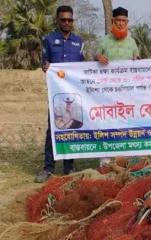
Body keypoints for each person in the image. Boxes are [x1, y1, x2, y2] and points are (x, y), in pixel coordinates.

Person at [35, 5, 85, 183]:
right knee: (53, 128)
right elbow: (44, 62)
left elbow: (83, 67)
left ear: (73, 21)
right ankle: (48, 168)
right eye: (63, 19)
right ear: (57, 20)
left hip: (73, 94)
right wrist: (45, 66)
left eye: (69, 20)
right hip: (56, 94)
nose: (66, 22)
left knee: (71, 128)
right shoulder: (48, 39)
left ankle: (69, 166)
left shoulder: (79, 42)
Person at [95, 7, 140, 166]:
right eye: (118, 21)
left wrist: (137, 59)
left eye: (123, 21)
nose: (121, 24)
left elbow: (137, 59)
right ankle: (106, 163)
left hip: (127, 95)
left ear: (127, 23)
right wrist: (98, 57)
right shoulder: (104, 41)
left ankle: (126, 162)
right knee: (107, 124)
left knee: (127, 125)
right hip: (107, 94)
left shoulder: (132, 42)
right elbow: (93, 60)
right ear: (112, 22)